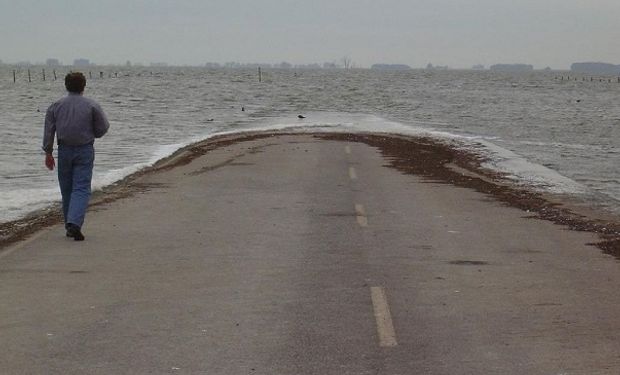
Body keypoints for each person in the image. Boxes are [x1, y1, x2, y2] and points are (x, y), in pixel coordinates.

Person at [42, 72, 110, 241]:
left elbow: (49, 131)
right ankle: (74, 223)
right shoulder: (92, 105)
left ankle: (69, 224)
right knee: (81, 188)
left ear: (66, 86)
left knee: (67, 189)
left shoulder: (56, 105)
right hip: (84, 149)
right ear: (83, 86)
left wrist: (48, 152)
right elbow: (103, 128)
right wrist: (92, 132)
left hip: (64, 150)